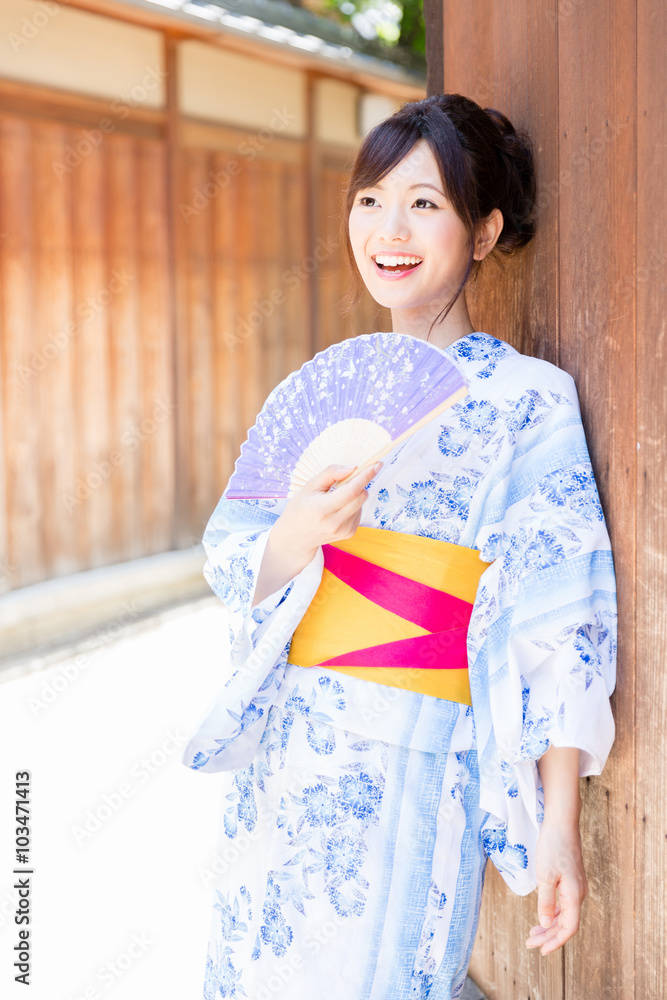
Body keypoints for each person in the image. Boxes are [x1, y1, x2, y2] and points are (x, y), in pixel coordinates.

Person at [183, 93, 617, 999]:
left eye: (425, 203)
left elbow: (559, 627)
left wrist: (561, 826)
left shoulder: (528, 402)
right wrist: (300, 534)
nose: (390, 227)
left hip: (418, 754)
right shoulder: (319, 389)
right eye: (371, 198)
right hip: (291, 752)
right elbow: (236, 560)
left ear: (484, 230)